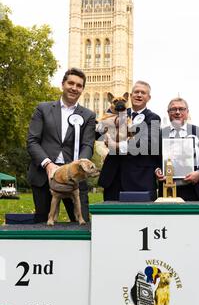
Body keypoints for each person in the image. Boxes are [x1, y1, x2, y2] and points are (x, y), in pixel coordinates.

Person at [27, 68, 96, 223]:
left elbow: (88, 144)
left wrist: (80, 164)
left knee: (82, 225)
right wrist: (48, 164)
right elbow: (32, 141)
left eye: (79, 85)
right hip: (44, 177)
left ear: (82, 89)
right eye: (70, 83)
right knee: (43, 226)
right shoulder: (43, 109)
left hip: (75, 178)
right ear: (63, 84)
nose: (74, 87)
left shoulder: (89, 115)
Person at [99, 81, 161, 201]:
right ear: (130, 96)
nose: (139, 95)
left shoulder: (153, 118)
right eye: (136, 92)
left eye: (143, 92)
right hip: (113, 177)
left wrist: (117, 146)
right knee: (112, 216)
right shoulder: (116, 112)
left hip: (138, 179)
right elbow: (98, 133)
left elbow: (148, 144)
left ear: (148, 97)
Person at [156, 98, 199, 201]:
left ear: (187, 112)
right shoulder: (160, 134)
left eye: (181, 109)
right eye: (173, 109)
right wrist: (157, 170)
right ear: (168, 112)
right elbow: (154, 160)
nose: (177, 112)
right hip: (168, 191)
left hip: (196, 190)